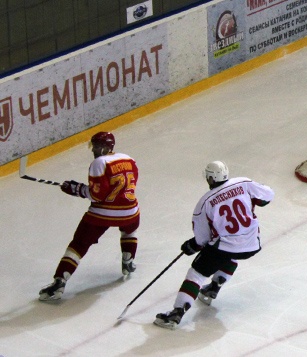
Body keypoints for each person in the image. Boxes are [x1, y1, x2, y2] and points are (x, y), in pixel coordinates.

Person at [154, 161, 274, 330]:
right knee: (231, 255)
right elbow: (268, 195)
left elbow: (202, 238)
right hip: (252, 243)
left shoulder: (205, 202)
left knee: (196, 274)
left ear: (210, 178)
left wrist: (192, 246)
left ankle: (176, 313)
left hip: (226, 245)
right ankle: (213, 287)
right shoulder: (244, 183)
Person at [38, 132, 140, 301]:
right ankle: (128, 261)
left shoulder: (98, 163)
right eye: (93, 146)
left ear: (107, 147)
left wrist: (76, 189)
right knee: (129, 231)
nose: (94, 150)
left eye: (97, 146)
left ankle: (59, 282)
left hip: (103, 214)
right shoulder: (128, 159)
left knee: (78, 244)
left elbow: (97, 196)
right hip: (130, 211)